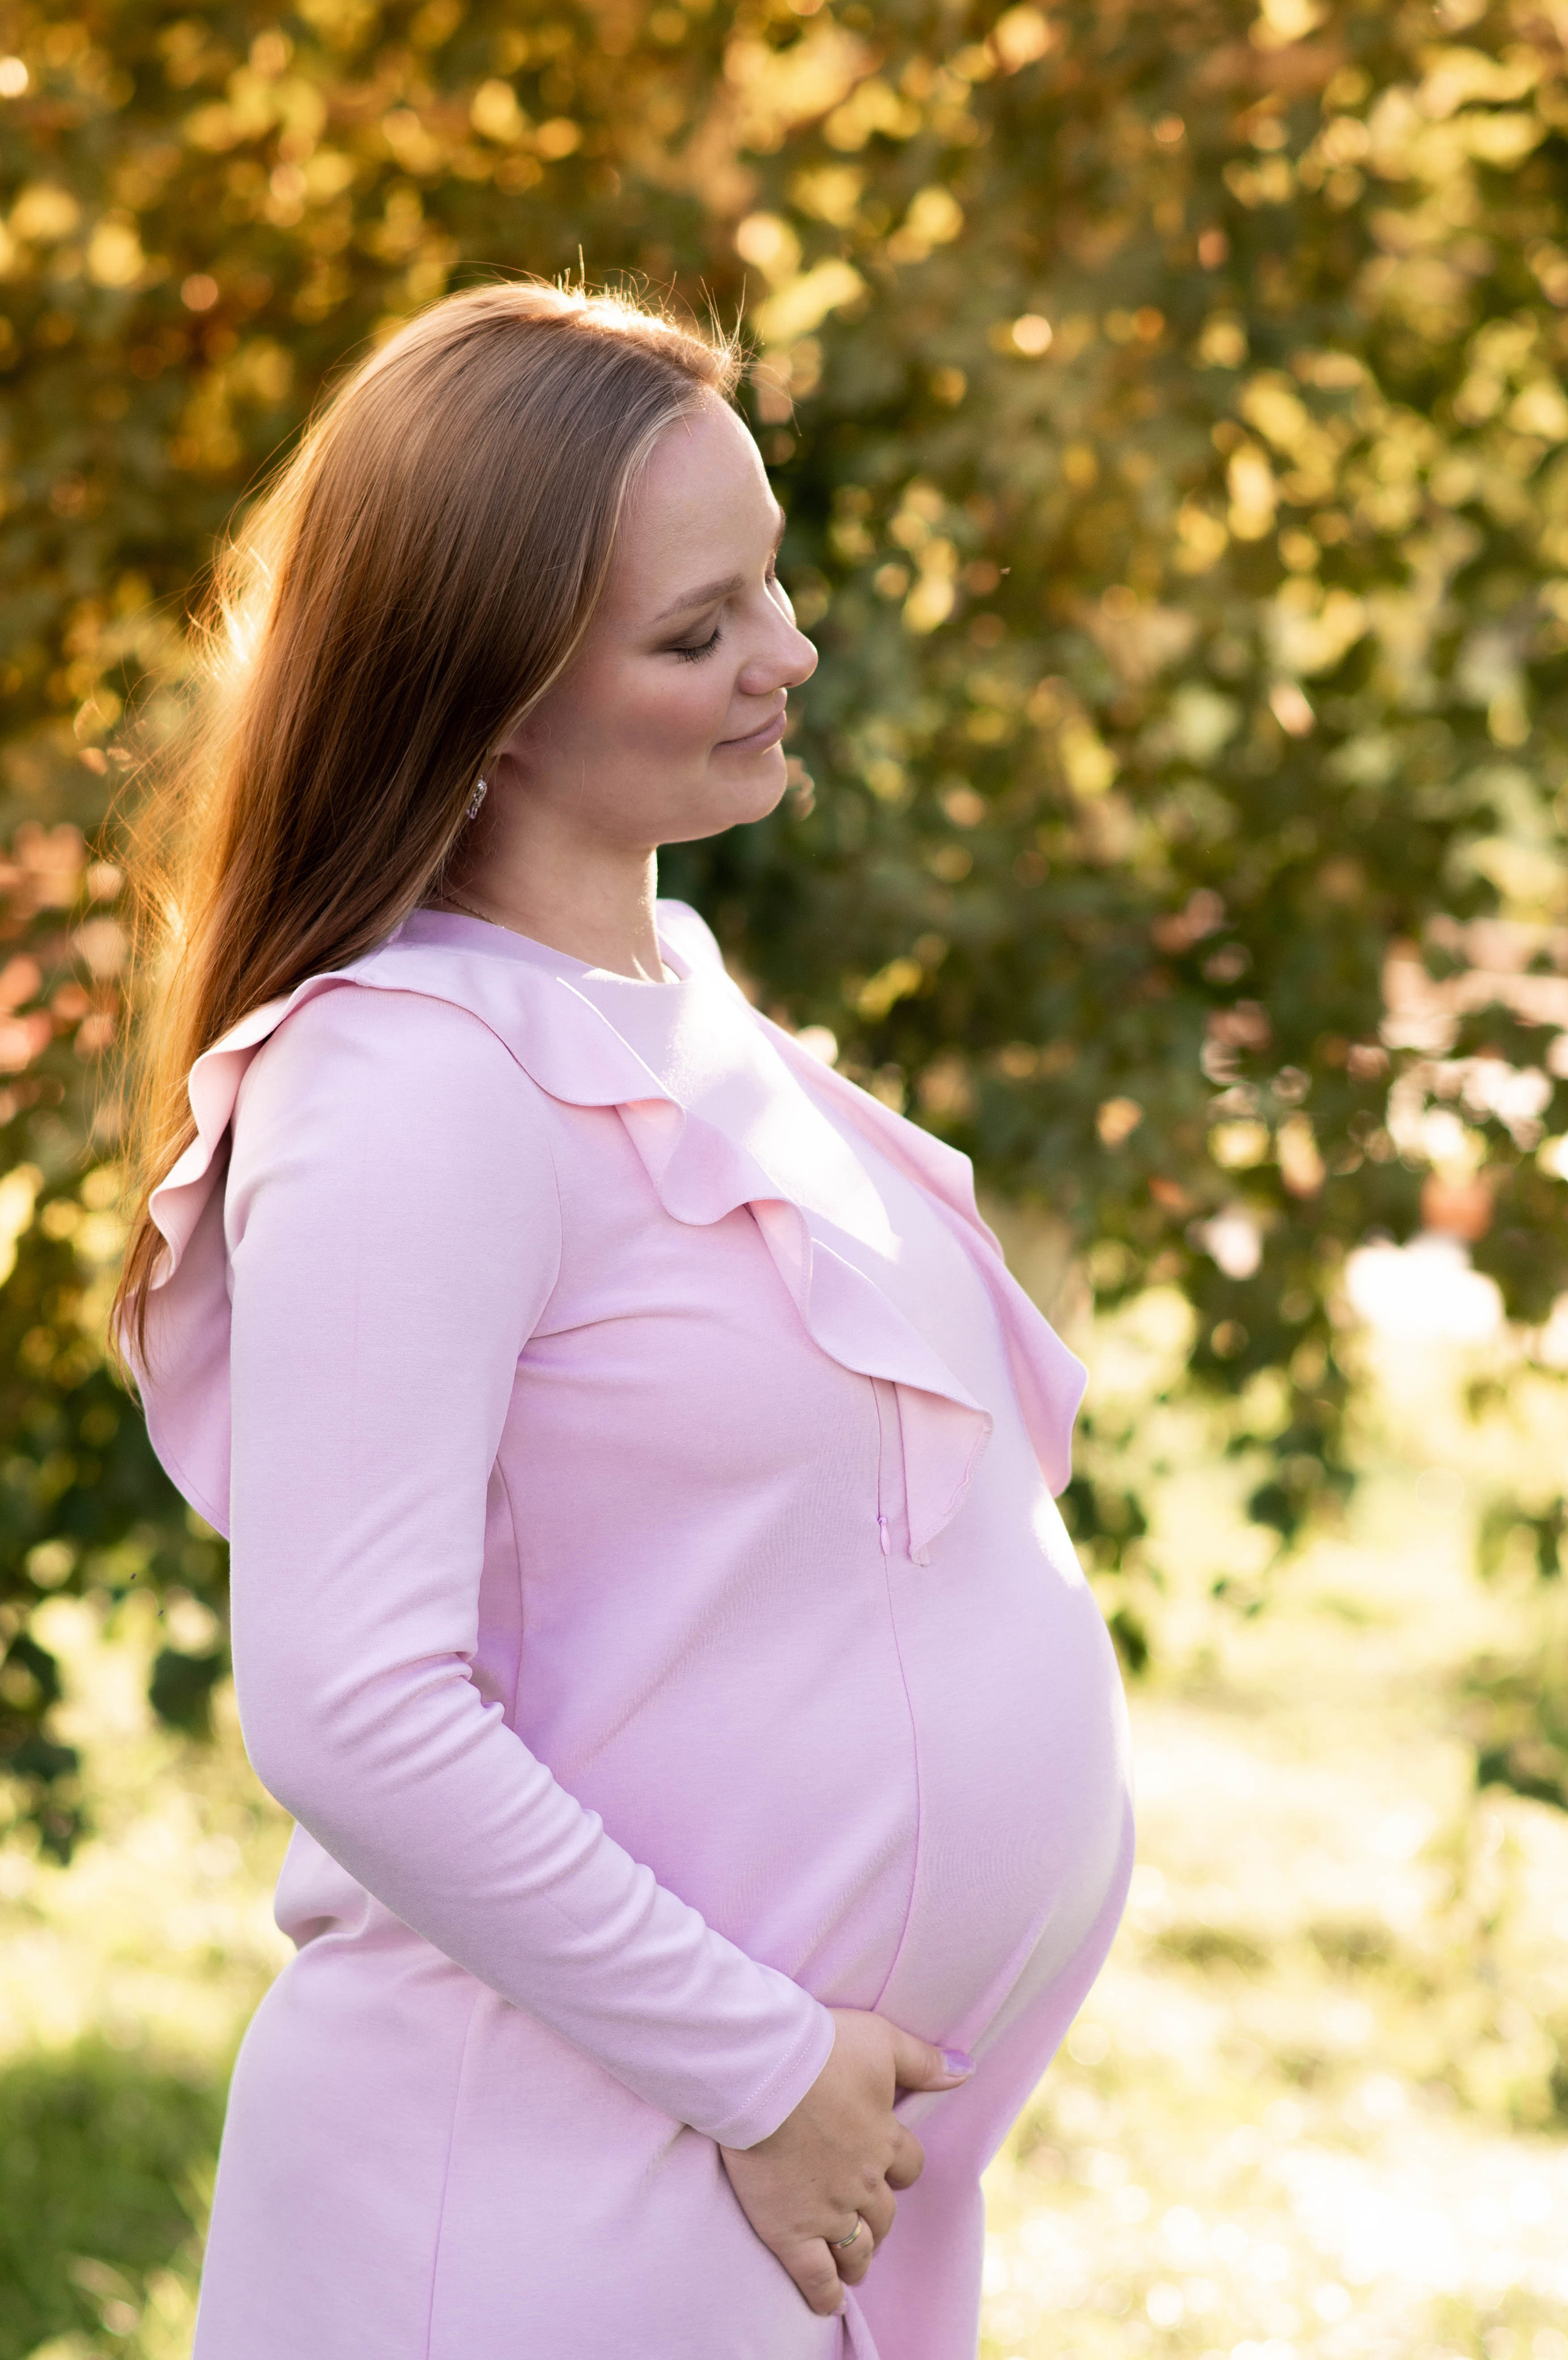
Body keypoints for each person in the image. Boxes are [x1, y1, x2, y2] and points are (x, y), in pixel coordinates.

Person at [116, 280, 1132, 2360]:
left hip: (766, 2193)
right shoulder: (410, 1084)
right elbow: (349, 1703)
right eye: (700, 632)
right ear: (481, 699)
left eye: (771, 583)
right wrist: (764, 2067)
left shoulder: (667, 990)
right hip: (553, 2189)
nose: (791, 656)